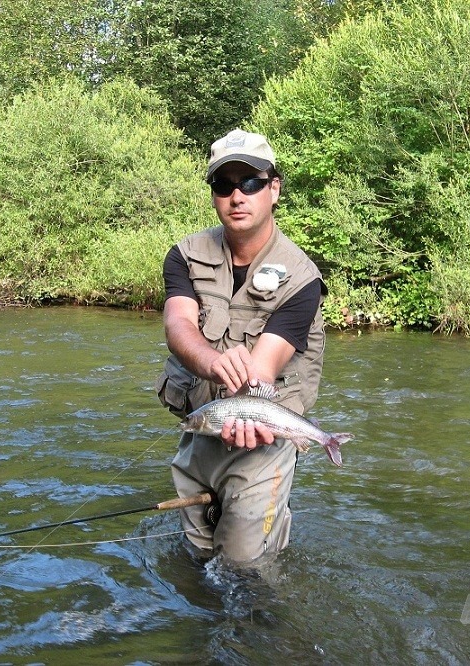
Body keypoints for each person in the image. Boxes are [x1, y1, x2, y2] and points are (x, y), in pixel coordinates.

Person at [156, 129, 327, 564]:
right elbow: (178, 325)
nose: (237, 195)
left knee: (242, 573)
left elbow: (263, 370)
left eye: (250, 182)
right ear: (213, 194)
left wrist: (243, 396)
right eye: (223, 184)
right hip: (201, 437)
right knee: (198, 563)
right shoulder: (184, 256)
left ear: (274, 188)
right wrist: (212, 362)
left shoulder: (302, 277)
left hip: (261, 444)